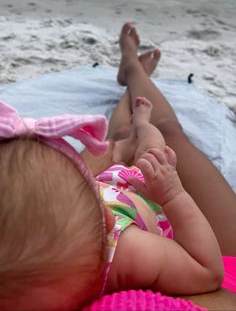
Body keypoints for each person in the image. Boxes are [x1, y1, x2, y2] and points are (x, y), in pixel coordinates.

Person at [0, 22, 235, 311]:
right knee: (147, 142)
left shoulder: (100, 249)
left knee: (127, 143)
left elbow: (209, 274)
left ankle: (135, 88)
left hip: (106, 187)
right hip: (140, 197)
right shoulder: (128, 254)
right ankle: (135, 86)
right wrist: (172, 197)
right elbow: (205, 269)